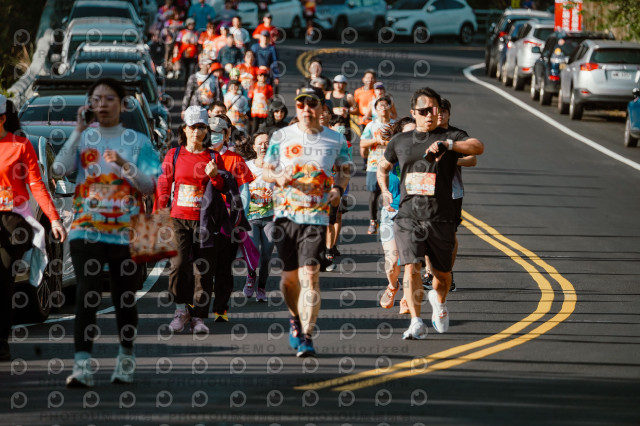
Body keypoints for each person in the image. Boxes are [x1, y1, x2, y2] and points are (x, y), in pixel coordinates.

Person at [53, 78, 160, 386]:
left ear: (122, 104)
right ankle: (82, 367)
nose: (102, 104)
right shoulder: (84, 137)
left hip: (126, 231)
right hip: (86, 227)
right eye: (96, 99)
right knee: (87, 293)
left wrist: (124, 163)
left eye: (109, 98)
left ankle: (126, 358)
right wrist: (77, 130)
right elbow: (59, 169)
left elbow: (149, 186)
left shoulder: (138, 140)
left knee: (124, 296)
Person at [377, 87, 484, 339]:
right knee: (411, 267)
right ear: (413, 112)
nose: (429, 115)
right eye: (423, 111)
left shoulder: (451, 136)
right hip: (408, 215)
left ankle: (439, 301)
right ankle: (415, 321)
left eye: (433, 110)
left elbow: (477, 147)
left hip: (441, 216)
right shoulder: (400, 141)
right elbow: (382, 166)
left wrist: (449, 145)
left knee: (442, 275)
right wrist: (384, 190)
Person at [263, 86, 352, 357]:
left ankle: (307, 335)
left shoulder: (335, 139)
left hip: (316, 217)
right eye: (301, 105)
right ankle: (294, 318)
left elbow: (345, 168)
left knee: (311, 276)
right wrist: (277, 177)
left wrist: (338, 189)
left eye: (312, 104)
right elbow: (266, 170)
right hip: (286, 216)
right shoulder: (281, 136)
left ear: (322, 108)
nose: (306, 110)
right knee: (289, 282)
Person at [0, 95, 67, 361]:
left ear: (2, 119)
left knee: (2, 279)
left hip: (13, 221)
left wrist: (54, 219)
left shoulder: (21, 145)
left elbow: (37, 185)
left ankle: (1, 342)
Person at [423, 98, 476, 292]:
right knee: (427, 233)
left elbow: (472, 159)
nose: (440, 115)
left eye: (444, 112)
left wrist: (452, 161)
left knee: (449, 235)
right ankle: (430, 273)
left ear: (449, 114)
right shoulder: (425, 134)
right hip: (427, 191)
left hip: (452, 193)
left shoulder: (458, 135)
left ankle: (447, 273)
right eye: (437, 111)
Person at [208, 114, 255, 320]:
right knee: (201, 264)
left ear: (226, 135)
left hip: (227, 221)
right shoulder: (198, 156)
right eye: (209, 132)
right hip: (202, 219)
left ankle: (221, 309)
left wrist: (239, 217)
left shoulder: (235, 159)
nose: (212, 136)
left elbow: (244, 191)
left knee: (224, 266)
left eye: (217, 133)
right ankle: (196, 308)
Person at [377, 117, 416, 315]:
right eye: (408, 133)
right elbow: (380, 169)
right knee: (392, 261)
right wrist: (385, 190)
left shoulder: (424, 154)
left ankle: (407, 298)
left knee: (410, 264)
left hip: (415, 214)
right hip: (391, 212)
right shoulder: (391, 152)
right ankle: (393, 286)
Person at [238, 131, 276, 301]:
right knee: (252, 252)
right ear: (254, 147)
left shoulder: (276, 167)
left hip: (270, 217)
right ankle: (251, 277)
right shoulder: (246, 166)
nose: (263, 146)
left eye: (267, 143)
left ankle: (261, 287)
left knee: (267, 255)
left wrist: (276, 193)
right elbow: (238, 189)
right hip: (251, 217)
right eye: (260, 143)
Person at [360, 95, 394, 235]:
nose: (383, 108)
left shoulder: (395, 125)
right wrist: (375, 140)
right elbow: (363, 143)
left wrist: (387, 142)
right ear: (376, 109)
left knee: (390, 192)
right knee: (374, 193)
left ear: (390, 107)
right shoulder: (371, 125)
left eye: (386, 105)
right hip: (374, 164)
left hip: (392, 164)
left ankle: (389, 220)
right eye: (380, 106)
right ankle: (373, 221)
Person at [248, 66, 274, 134]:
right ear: (257, 76)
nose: (263, 77)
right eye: (261, 75)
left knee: (264, 128)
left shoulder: (269, 87)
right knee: (254, 128)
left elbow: (271, 99)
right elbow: (250, 98)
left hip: (264, 110)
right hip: (255, 110)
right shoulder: (253, 86)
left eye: (264, 76)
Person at [174, 18, 200, 84]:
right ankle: (186, 83)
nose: (192, 26)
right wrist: (176, 52)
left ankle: (190, 83)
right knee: (186, 69)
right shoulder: (182, 32)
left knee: (192, 69)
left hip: (193, 54)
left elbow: (198, 43)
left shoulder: (196, 33)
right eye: (190, 24)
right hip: (184, 54)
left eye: (193, 24)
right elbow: (178, 42)